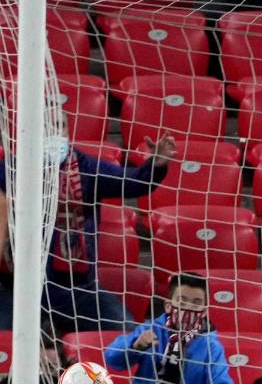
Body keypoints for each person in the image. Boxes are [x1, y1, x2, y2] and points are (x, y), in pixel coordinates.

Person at [0, 135, 175, 334]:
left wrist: (156, 165)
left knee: (127, 334)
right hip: (16, 288)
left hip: (78, 289)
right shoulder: (9, 170)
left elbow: (134, 182)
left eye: (57, 127)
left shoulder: (86, 167)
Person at [103, 273, 239, 384]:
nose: (188, 308)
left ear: (204, 311)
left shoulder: (210, 346)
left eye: (196, 303)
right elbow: (112, 359)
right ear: (168, 305)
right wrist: (135, 345)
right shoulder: (149, 330)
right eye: (182, 301)